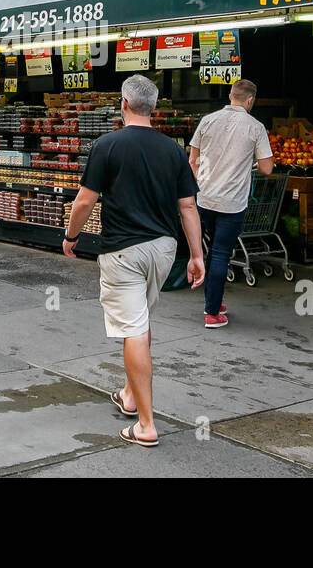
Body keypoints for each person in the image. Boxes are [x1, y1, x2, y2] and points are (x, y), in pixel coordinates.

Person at [62, 75, 205, 448]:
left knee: (134, 330)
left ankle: (145, 424)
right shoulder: (173, 150)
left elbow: (84, 200)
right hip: (163, 249)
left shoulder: (107, 145)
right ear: (153, 108)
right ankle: (129, 393)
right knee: (140, 321)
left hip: (124, 251)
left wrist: (71, 236)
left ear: (123, 104)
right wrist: (197, 255)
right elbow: (187, 205)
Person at [187, 79, 274, 328]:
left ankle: (211, 302)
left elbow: (192, 160)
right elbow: (267, 168)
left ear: (230, 96)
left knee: (208, 251)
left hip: (204, 198)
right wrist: (253, 163)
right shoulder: (255, 127)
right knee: (221, 253)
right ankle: (212, 314)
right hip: (232, 203)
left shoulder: (208, 120)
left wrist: (197, 186)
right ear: (250, 101)